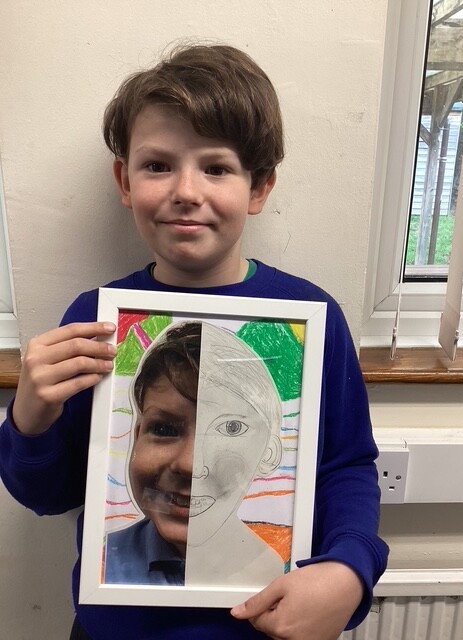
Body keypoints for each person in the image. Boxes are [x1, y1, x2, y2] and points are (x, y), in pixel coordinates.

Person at [0, 43, 388, 640]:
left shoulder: (314, 321)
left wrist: (350, 569)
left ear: (259, 188)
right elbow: (50, 496)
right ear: (125, 181)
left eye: (216, 168)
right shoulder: (94, 322)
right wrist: (30, 421)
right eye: (158, 165)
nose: (186, 190)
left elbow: (345, 466)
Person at [105, 320, 285, 588]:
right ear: (137, 437)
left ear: (269, 452)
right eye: (164, 429)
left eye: (230, 428)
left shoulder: (281, 572)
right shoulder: (106, 561)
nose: (190, 464)